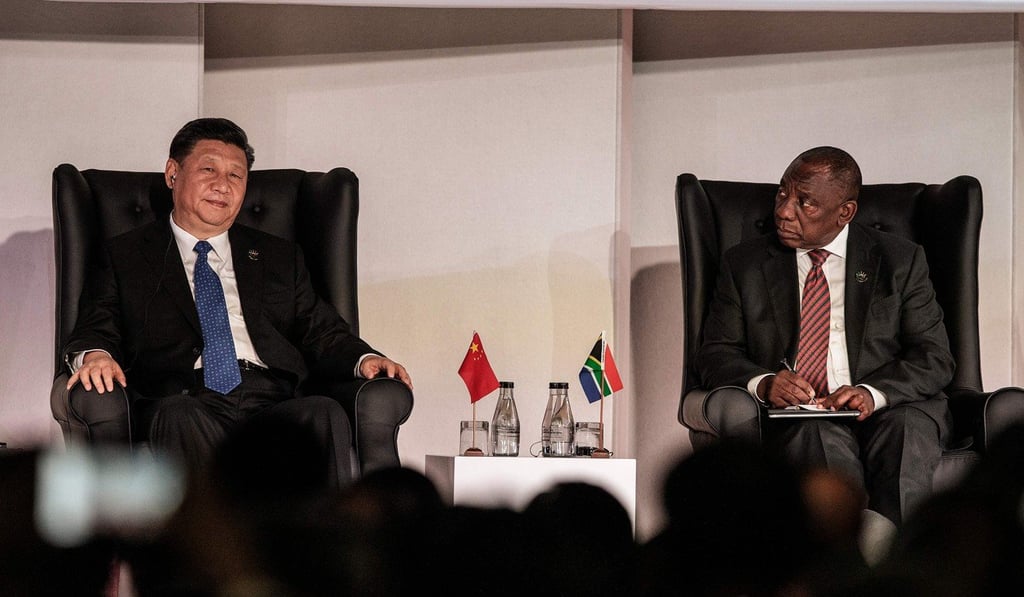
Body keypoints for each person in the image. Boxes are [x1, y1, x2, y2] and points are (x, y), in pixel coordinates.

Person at [62, 117, 412, 488]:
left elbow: (322, 330)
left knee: (322, 412)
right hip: (185, 396)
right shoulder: (127, 255)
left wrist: (365, 359)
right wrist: (95, 354)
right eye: (208, 169)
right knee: (178, 414)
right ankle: (216, 544)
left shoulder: (279, 257)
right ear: (172, 174)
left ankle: (328, 545)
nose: (222, 186)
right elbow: (95, 325)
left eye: (236, 176)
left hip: (272, 396)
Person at [694, 146, 954, 526]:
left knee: (906, 434)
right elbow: (716, 352)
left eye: (806, 203)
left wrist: (872, 393)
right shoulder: (745, 265)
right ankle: (837, 567)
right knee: (816, 437)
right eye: (783, 193)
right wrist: (765, 383)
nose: (784, 210)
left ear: (844, 212)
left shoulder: (900, 261)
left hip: (892, 406)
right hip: (802, 415)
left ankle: (901, 568)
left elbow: (934, 356)